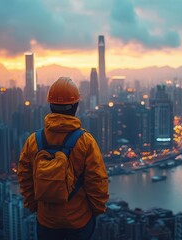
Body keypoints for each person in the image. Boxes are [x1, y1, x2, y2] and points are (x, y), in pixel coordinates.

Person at [18, 77, 109, 240]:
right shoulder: (85, 141)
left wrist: (34, 206)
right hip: (79, 221)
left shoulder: (33, 140)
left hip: (46, 222)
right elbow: (97, 181)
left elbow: (24, 178)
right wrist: (96, 210)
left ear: (50, 105)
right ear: (75, 106)